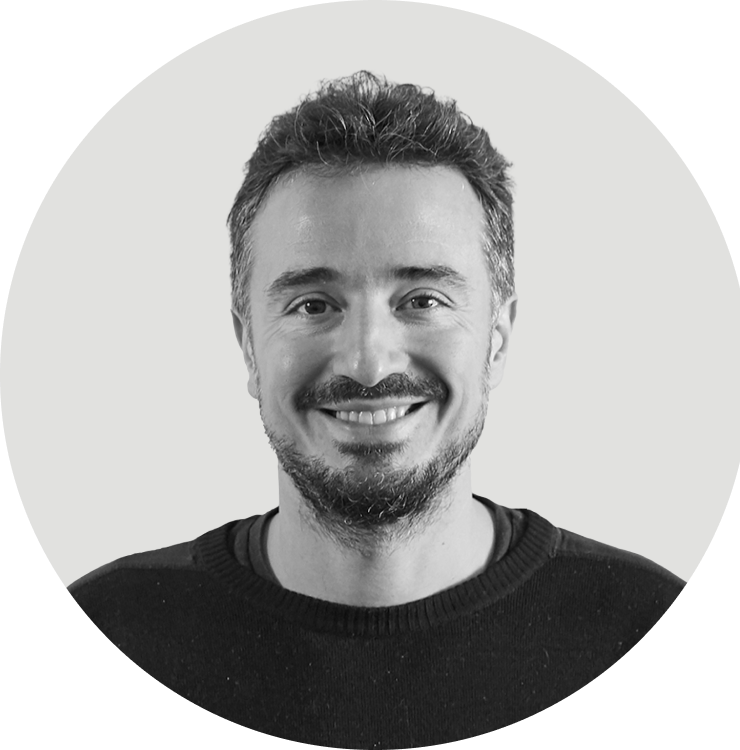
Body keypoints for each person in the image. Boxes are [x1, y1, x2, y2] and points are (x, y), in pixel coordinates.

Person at [68, 71, 685, 744]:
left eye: (423, 300)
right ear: (248, 344)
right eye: (313, 305)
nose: (368, 363)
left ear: (499, 338)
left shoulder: (641, 623)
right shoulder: (113, 626)